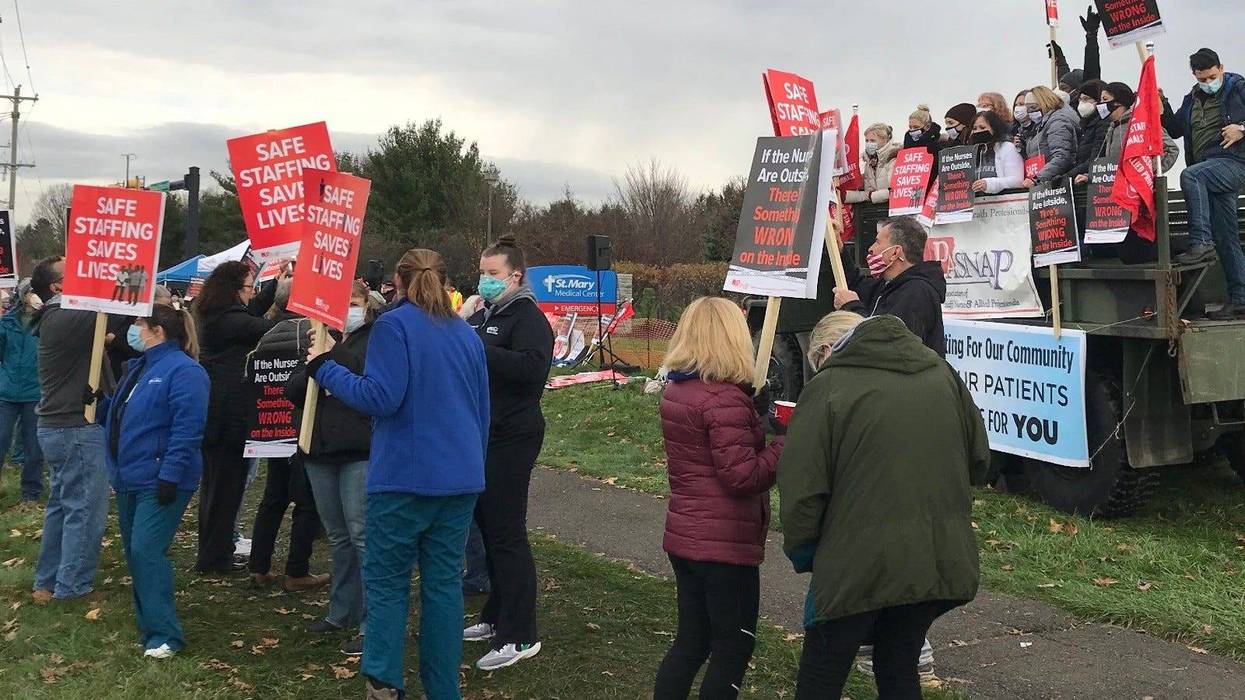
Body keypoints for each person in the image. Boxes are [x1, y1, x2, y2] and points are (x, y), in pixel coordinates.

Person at [308, 248, 489, 700]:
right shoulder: (465, 333)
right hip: (459, 477)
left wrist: (324, 368)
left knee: (387, 583)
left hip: (405, 479)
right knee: (444, 587)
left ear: (398, 281)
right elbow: (481, 409)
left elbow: (380, 397)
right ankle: (444, 689)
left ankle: (384, 682)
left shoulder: (392, 326)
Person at [779, 312, 989, 700]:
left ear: (826, 350)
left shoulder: (828, 387)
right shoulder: (941, 373)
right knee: (898, 666)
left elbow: (802, 490)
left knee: (820, 677)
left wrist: (804, 551)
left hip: (855, 563)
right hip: (935, 557)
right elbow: (980, 458)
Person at [651, 297, 783, 700]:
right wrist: (783, 446)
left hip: (687, 533)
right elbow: (742, 475)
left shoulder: (681, 391)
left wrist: (752, 413)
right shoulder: (723, 399)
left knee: (692, 640)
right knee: (732, 645)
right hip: (724, 544)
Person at [461, 235, 554, 671]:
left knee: (506, 532)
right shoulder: (487, 315)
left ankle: (521, 635)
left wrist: (481, 350)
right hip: (483, 433)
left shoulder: (528, 317)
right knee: (487, 527)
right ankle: (497, 614)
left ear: (515, 276)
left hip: (512, 436)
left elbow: (533, 370)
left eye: (493, 274)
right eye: (482, 273)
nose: (485, 281)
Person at [100, 304, 208, 659]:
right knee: (135, 553)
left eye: (138, 324)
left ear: (157, 330)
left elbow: (187, 428)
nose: (133, 330)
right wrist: (100, 404)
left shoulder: (185, 372)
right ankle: (149, 625)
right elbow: (126, 416)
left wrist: (171, 474)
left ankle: (165, 634)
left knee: (146, 551)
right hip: (131, 475)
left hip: (160, 478)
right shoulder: (141, 368)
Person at [287, 281, 378, 654]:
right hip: (319, 451)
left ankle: (374, 621)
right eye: (343, 304)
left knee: (363, 536)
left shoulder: (375, 339)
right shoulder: (317, 335)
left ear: (367, 306)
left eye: (354, 302)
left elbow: (368, 386)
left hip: (358, 450)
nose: (348, 310)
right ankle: (342, 609)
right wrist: (315, 366)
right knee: (338, 536)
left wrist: (329, 361)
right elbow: (294, 389)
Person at [28, 256, 112, 603]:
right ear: (56, 286)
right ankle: (73, 586)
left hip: (59, 426)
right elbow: (117, 299)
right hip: (74, 426)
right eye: (71, 271)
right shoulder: (66, 316)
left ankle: (47, 582)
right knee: (85, 507)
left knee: (63, 506)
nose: (82, 270)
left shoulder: (58, 316)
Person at [192, 260, 281, 575]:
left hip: (216, 413)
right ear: (234, 290)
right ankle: (216, 557)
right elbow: (264, 328)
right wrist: (291, 304)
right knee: (226, 489)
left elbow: (253, 310)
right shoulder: (229, 320)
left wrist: (275, 284)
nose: (252, 292)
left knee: (216, 487)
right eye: (248, 286)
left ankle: (213, 551)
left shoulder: (216, 313)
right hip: (228, 416)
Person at [245, 279, 328, 591]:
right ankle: (297, 570)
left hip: (270, 426)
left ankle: (258, 565)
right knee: (306, 501)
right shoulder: (312, 334)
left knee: (273, 497)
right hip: (303, 426)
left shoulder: (265, 335)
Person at [1164, 48, 1245, 319]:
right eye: (1202, 78)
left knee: (1191, 176)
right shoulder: (1191, 98)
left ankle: (1200, 242)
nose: (1208, 82)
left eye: (1212, 76)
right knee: (1226, 237)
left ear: (1221, 68)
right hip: (1208, 168)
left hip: (1233, 163)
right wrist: (1161, 102)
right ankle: (1240, 298)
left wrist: (1242, 128)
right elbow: (1175, 129)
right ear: (1194, 75)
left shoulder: (1238, 88)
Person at [1093, 81, 1181, 264]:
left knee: (1138, 251)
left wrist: (1146, 172)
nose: (1100, 104)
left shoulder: (1141, 122)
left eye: (1105, 100)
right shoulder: (1112, 127)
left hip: (1141, 197)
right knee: (1126, 254)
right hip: (1120, 199)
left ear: (1119, 102)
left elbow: (1171, 149)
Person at [832, 216, 946, 357]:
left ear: (895, 252)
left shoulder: (917, 292)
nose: (870, 249)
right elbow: (856, 283)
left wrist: (851, 306)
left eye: (877, 242)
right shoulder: (889, 285)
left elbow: (886, 343)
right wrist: (839, 248)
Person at [0, 281, 45, 503]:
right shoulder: (7, 322)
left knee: (34, 446)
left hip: (34, 392)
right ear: (23, 295)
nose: (35, 296)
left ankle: (31, 493)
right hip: (7, 392)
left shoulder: (46, 321)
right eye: (31, 291)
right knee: (1, 439)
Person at [1021, 85, 1081, 187]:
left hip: (1054, 185)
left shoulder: (1058, 122)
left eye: (1034, 107)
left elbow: (1061, 156)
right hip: (1045, 182)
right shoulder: (1039, 125)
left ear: (1045, 103)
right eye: (1028, 109)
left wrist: (1037, 179)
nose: (1030, 112)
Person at [843, 123, 899, 206]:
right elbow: (867, 192)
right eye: (867, 140)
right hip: (873, 211)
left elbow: (895, 191)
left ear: (884, 140)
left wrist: (871, 195)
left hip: (892, 209)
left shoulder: (894, 159)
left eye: (872, 140)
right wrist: (844, 194)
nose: (869, 143)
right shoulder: (868, 161)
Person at [970, 110, 1025, 194]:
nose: (977, 131)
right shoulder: (971, 152)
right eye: (974, 128)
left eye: (982, 128)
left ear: (994, 129)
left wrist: (989, 184)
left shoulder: (1007, 148)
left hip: (1002, 203)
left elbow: (1016, 180)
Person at [1067, 79, 1111, 182]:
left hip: (1095, 180)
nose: (1082, 103)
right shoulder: (1085, 124)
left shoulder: (1104, 123)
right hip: (1082, 176)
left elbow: (1096, 157)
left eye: (1086, 99)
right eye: (1080, 99)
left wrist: (1068, 175)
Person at [1014, 90, 1041, 159]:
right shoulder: (1016, 130)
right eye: (1016, 105)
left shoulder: (1040, 127)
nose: (1017, 108)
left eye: (1021, 104)